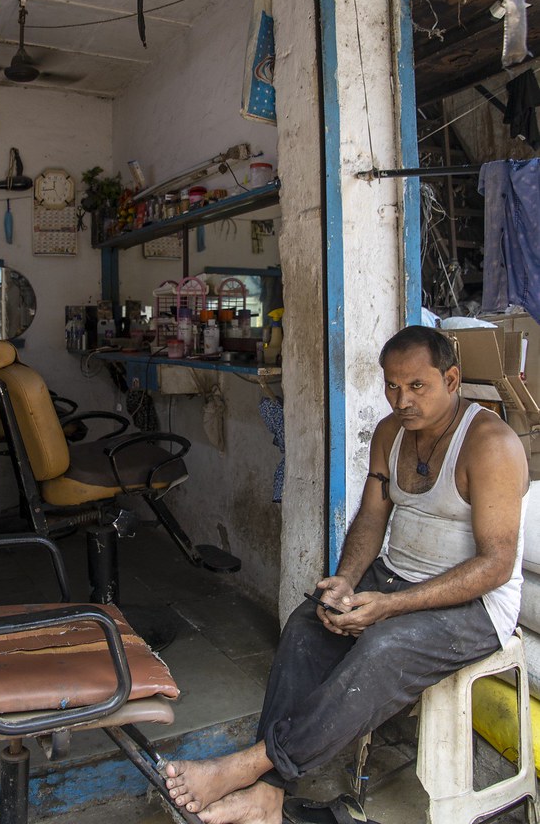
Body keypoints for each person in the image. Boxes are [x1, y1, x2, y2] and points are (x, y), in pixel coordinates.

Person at [165, 325, 528, 824]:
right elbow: (371, 519)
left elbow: (496, 565)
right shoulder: (390, 432)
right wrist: (347, 583)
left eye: (417, 386)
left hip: (475, 606)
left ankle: (249, 768)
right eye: (392, 386)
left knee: (382, 647)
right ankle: (269, 797)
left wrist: (389, 608)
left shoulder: (490, 444)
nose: (402, 400)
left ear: (451, 379)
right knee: (306, 625)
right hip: (396, 576)